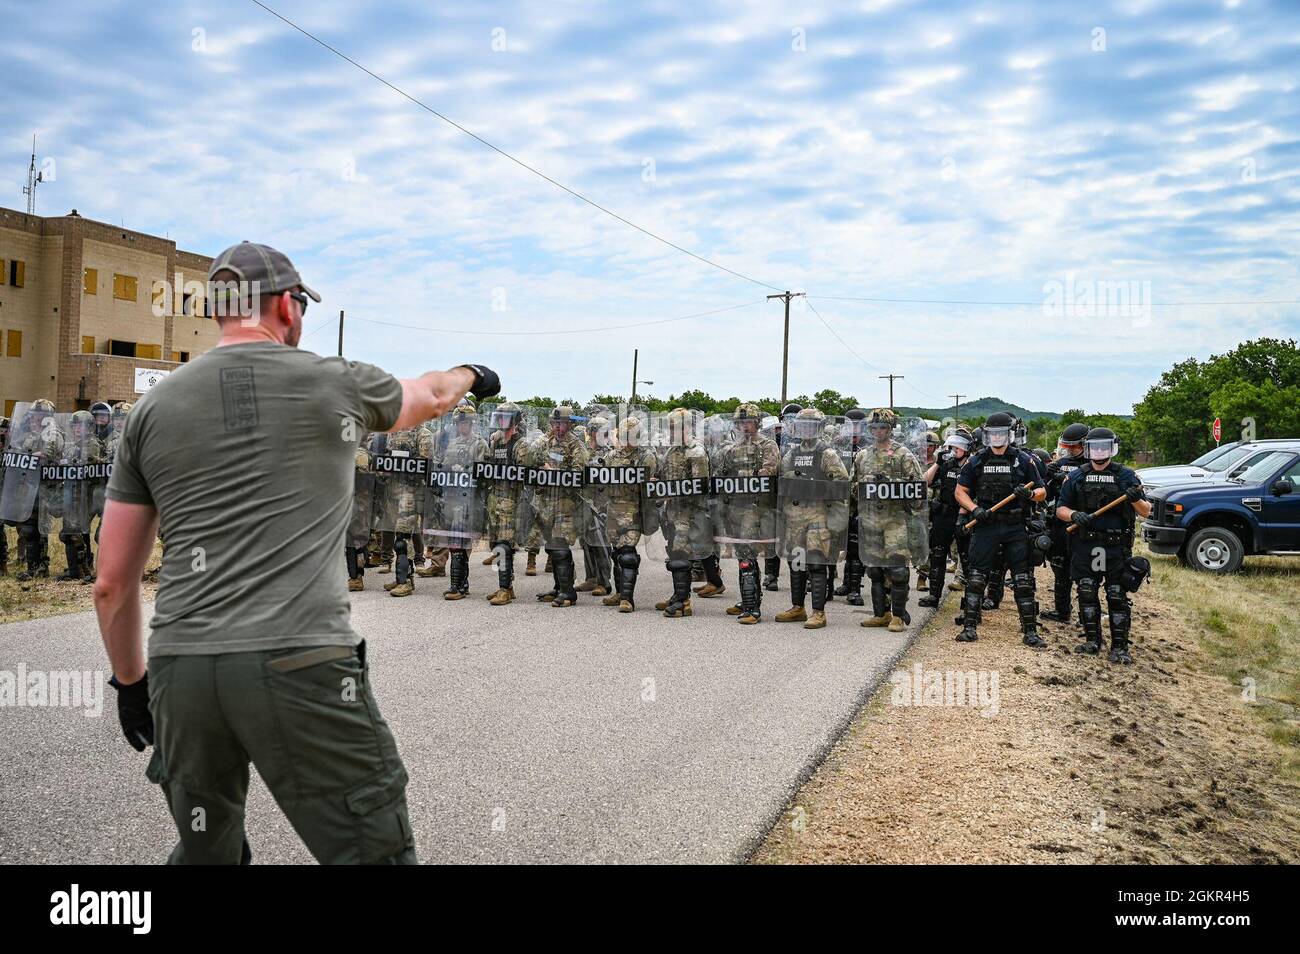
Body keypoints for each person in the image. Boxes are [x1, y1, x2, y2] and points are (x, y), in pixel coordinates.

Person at [94, 240, 499, 863]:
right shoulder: (335, 383)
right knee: (372, 851)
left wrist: (130, 682)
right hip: (301, 659)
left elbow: (112, 583)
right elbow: (433, 395)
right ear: (286, 305)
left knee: (207, 853)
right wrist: (471, 373)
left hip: (183, 670)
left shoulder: (152, 408)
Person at [1055, 427, 1151, 663]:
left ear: (1111, 448)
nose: (1098, 452)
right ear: (1087, 449)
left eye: (1103, 447)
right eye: (1094, 447)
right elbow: (1060, 509)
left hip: (1116, 546)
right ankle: (1092, 641)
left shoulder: (1127, 476)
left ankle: (1119, 648)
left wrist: (1134, 498)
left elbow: (1146, 512)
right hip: (1085, 544)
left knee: (1116, 594)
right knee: (1086, 591)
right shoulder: (1077, 476)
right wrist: (1074, 515)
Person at [953, 411, 1047, 647]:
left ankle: (1030, 633)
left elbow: (1042, 492)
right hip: (986, 525)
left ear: (1010, 435)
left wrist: (1030, 494)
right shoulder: (977, 461)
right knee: (976, 578)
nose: (997, 438)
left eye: (1001, 433)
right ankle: (969, 628)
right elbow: (960, 491)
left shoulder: (1025, 461)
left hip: (1015, 526)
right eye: (993, 433)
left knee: (1022, 580)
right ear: (987, 435)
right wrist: (974, 510)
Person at [773, 408, 850, 629]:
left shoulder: (827, 454)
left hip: (819, 516)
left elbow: (841, 484)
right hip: (795, 517)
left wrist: (814, 485)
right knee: (796, 562)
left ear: (818, 428)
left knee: (816, 563)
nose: (806, 429)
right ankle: (798, 607)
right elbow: (783, 482)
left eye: (810, 425)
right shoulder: (792, 453)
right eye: (802, 425)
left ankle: (819, 612)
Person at [853, 408, 927, 632]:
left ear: (891, 428)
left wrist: (891, 485)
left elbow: (918, 489)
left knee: (897, 569)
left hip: (896, 520)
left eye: (882, 427)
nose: (878, 431)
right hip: (871, 518)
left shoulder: (903, 454)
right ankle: (881, 614)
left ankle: (897, 616)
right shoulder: (863, 455)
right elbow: (852, 487)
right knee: (875, 569)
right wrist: (864, 488)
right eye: (874, 427)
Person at [917, 425, 973, 607]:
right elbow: (925, 481)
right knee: (938, 555)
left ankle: (971, 602)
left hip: (964, 517)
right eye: (952, 447)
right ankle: (934, 596)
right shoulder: (946, 464)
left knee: (966, 558)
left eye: (958, 447)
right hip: (944, 515)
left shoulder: (973, 466)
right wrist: (938, 463)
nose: (953, 450)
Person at [1040, 423, 1089, 624]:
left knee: (1085, 573)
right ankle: (1062, 611)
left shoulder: (1095, 465)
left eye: (1074, 447)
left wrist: (1069, 479)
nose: (1069, 451)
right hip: (1059, 523)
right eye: (1066, 446)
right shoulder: (1059, 463)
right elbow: (1045, 495)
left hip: (1084, 524)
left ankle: (1087, 616)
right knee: (1059, 567)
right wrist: (1048, 476)